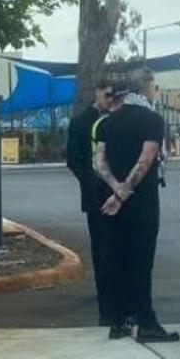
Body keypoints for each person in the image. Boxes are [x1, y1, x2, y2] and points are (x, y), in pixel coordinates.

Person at [94, 68, 179, 343]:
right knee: (141, 263)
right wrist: (124, 193)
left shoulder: (108, 122)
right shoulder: (151, 120)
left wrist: (115, 189)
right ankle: (146, 322)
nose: (156, 90)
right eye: (155, 85)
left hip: (112, 201)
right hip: (140, 203)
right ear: (146, 87)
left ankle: (118, 320)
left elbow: (99, 162)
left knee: (117, 259)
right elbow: (146, 160)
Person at [66, 79, 118, 327]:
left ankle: (118, 290)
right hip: (95, 192)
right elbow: (73, 158)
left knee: (118, 243)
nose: (110, 100)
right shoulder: (80, 122)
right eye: (107, 95)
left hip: (118, 191)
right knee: (100, 246)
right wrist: (88, 180)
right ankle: (104, 292)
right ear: (97, 93)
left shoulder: (116, 119)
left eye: (113, 96)